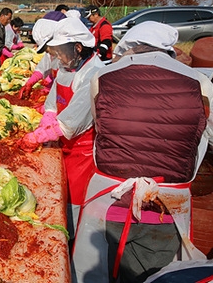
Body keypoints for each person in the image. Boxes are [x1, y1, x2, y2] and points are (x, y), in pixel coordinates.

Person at [72, 21, 213, 283]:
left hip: (108, 202)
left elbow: (97, 126)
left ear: (132, 48)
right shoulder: (200, 83)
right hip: (165, 209)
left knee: (97, 272)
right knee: (153, 275)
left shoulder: (103, 77)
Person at [21, 17, 106, 236]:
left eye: (60, 52)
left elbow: (71, 123)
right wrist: (46, 120)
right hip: (63, 144)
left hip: (82, 151)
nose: (57, 58)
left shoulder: (94, 73)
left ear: (78, 47)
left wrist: (38, 136)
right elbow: (52, 102)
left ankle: (71, 241)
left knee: (73, 202)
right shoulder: (67, 66)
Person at [18, 18, 60, 99]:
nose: (47, 51)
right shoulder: (52, 52)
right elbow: (42, 68)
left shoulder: (70, 57)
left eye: (46, 48)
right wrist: (29, 83)